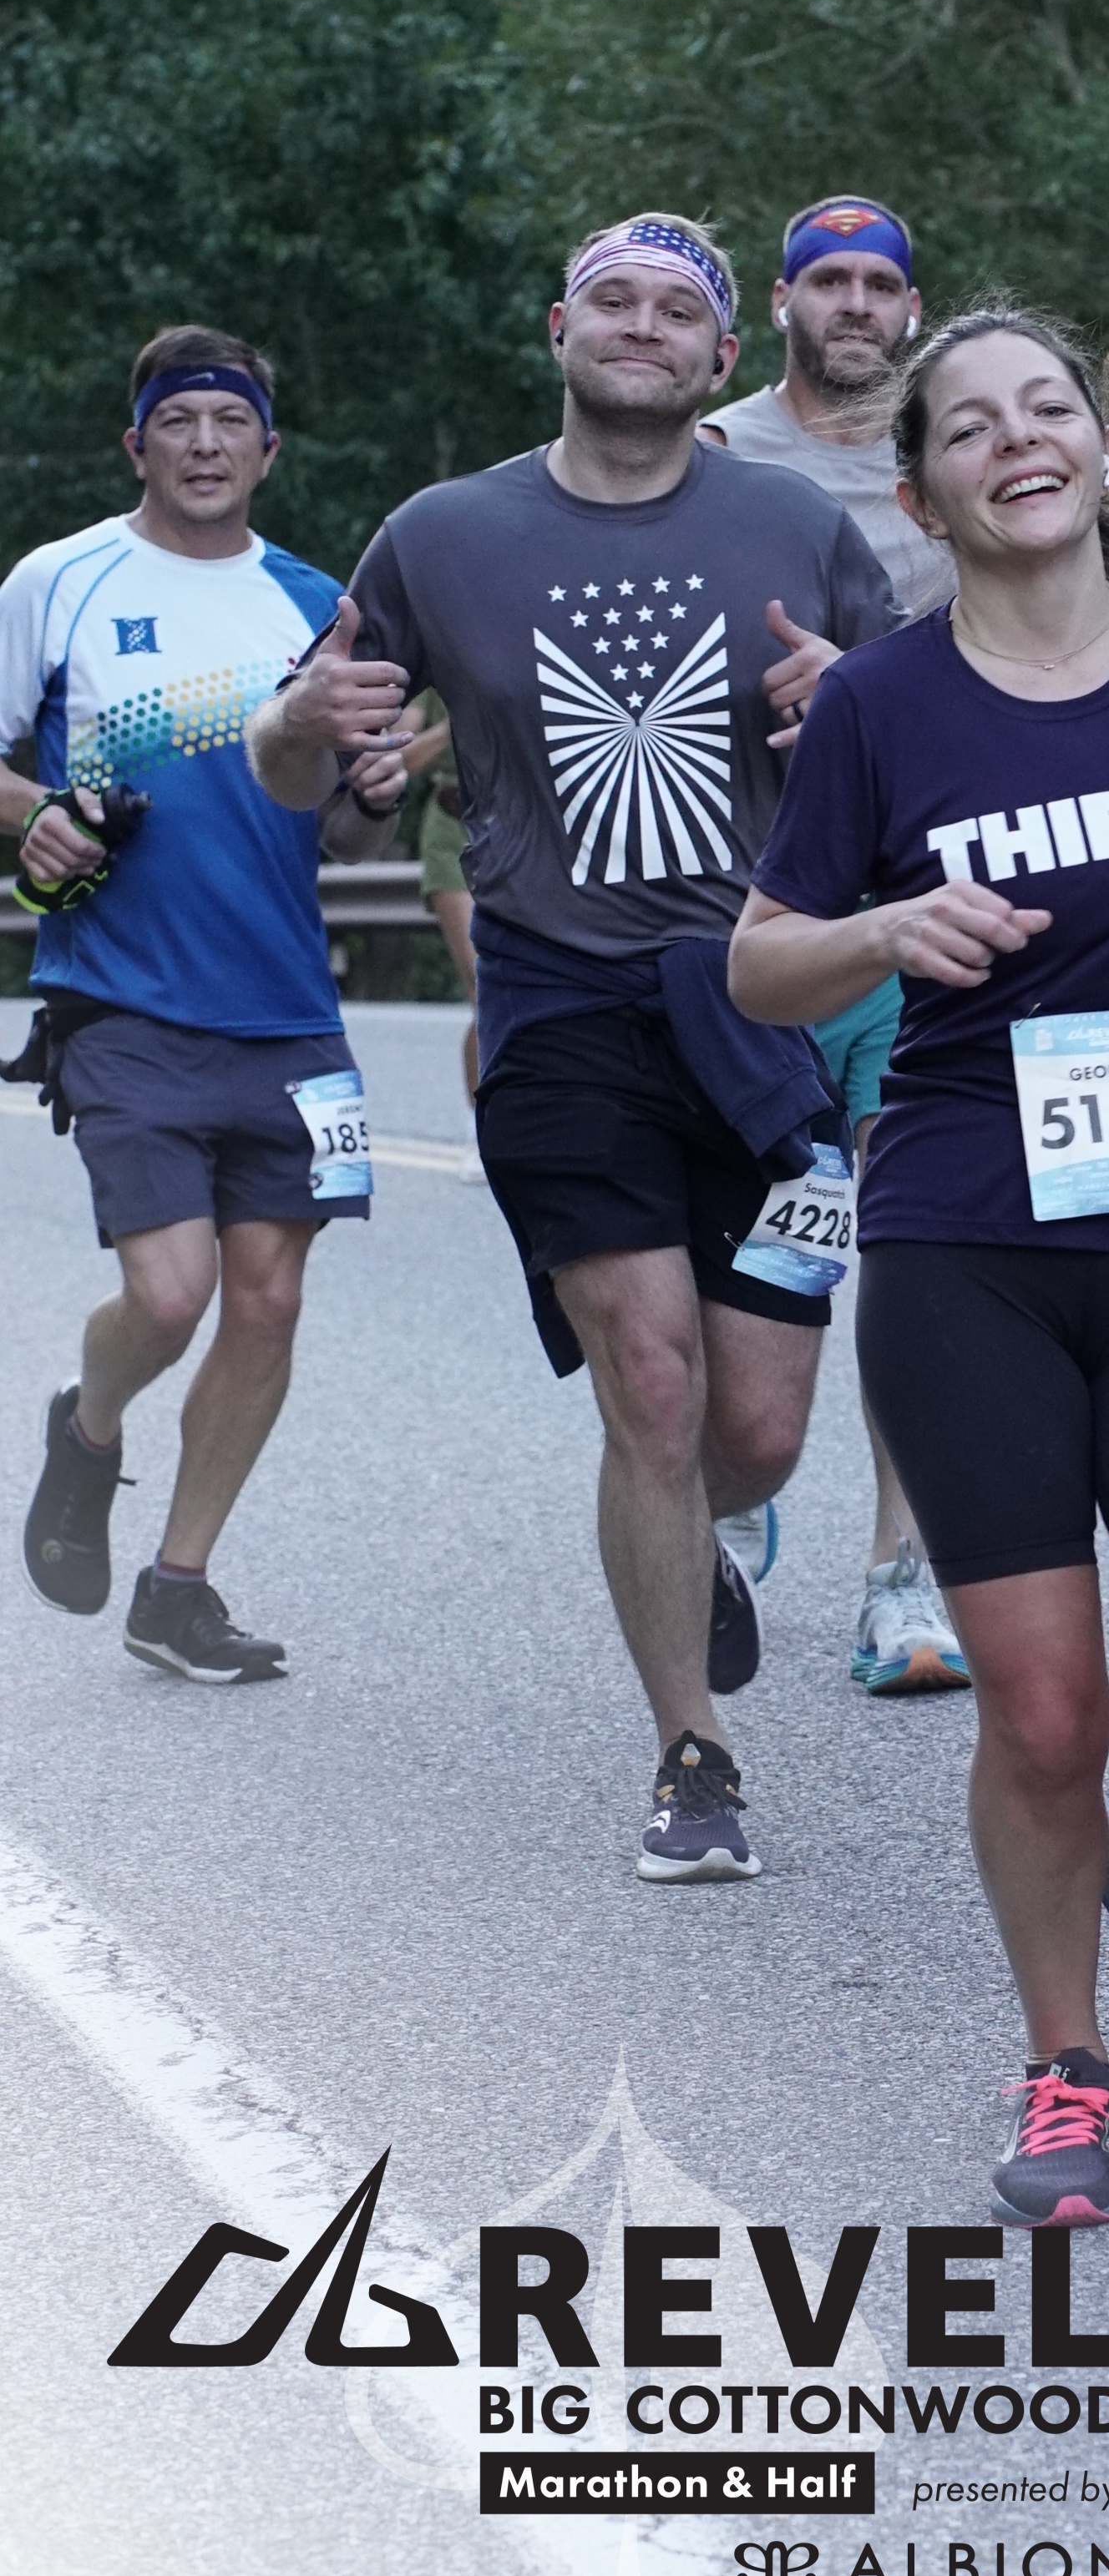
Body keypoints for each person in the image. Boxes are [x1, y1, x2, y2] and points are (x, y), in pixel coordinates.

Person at [731, 308, 1109, 2224]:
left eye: (1050, 407)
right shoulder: (882, 706)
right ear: (921, 493)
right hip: (968, 1245)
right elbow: (762, 959)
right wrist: (884, 929)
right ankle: (1063, 2061)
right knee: (1047, 1714)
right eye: (971, 425)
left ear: (1102, 447)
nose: (1020, 438)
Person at [248, 215, 896, 1880]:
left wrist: (858, 703)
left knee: (758, 1430)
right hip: (558, 1005)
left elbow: (918, 753)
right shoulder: (442, 534)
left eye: (678, 309)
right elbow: (302, 765)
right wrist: (301, 729)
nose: (641, 324)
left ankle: (703, 1533)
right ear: (558, 328)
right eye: (613, 298)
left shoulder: (798, 527)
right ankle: (693, 1751)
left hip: (757, 1007)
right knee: (651, 1378)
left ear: (722, 359)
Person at [3, 329, 404, 1681]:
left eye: (232, 421)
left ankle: (178, 1587)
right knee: (170, 1297)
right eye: (179, 420)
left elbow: (346, 833)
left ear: (269, 451)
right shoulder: (58, 581)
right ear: (138, 444)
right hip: (120, 993)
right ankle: (89, 1420)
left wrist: (376, 791)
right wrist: (38, 811)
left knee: (270, 1303)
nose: (206, 443)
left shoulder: (317, 605)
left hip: (289, 1009)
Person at [701, 194, 967, 1696]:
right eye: (829, 282)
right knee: (761, 1236)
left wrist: (862, 691)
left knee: (919, 1251)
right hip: (750, 915)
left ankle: (902, 1577)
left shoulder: (960, 450)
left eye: (879, 283)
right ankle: (734, 1480)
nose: (855, 305)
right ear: (783, 303)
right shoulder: (716, 452)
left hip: (922, 912)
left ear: (910, 310)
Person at [392, 689, 479, 1099]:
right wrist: (451, 728)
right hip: (451, 832)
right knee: (484, 985)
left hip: (518, 832)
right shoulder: (438, 674)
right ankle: (483, 1120)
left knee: (523, 986)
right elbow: (399, 759)